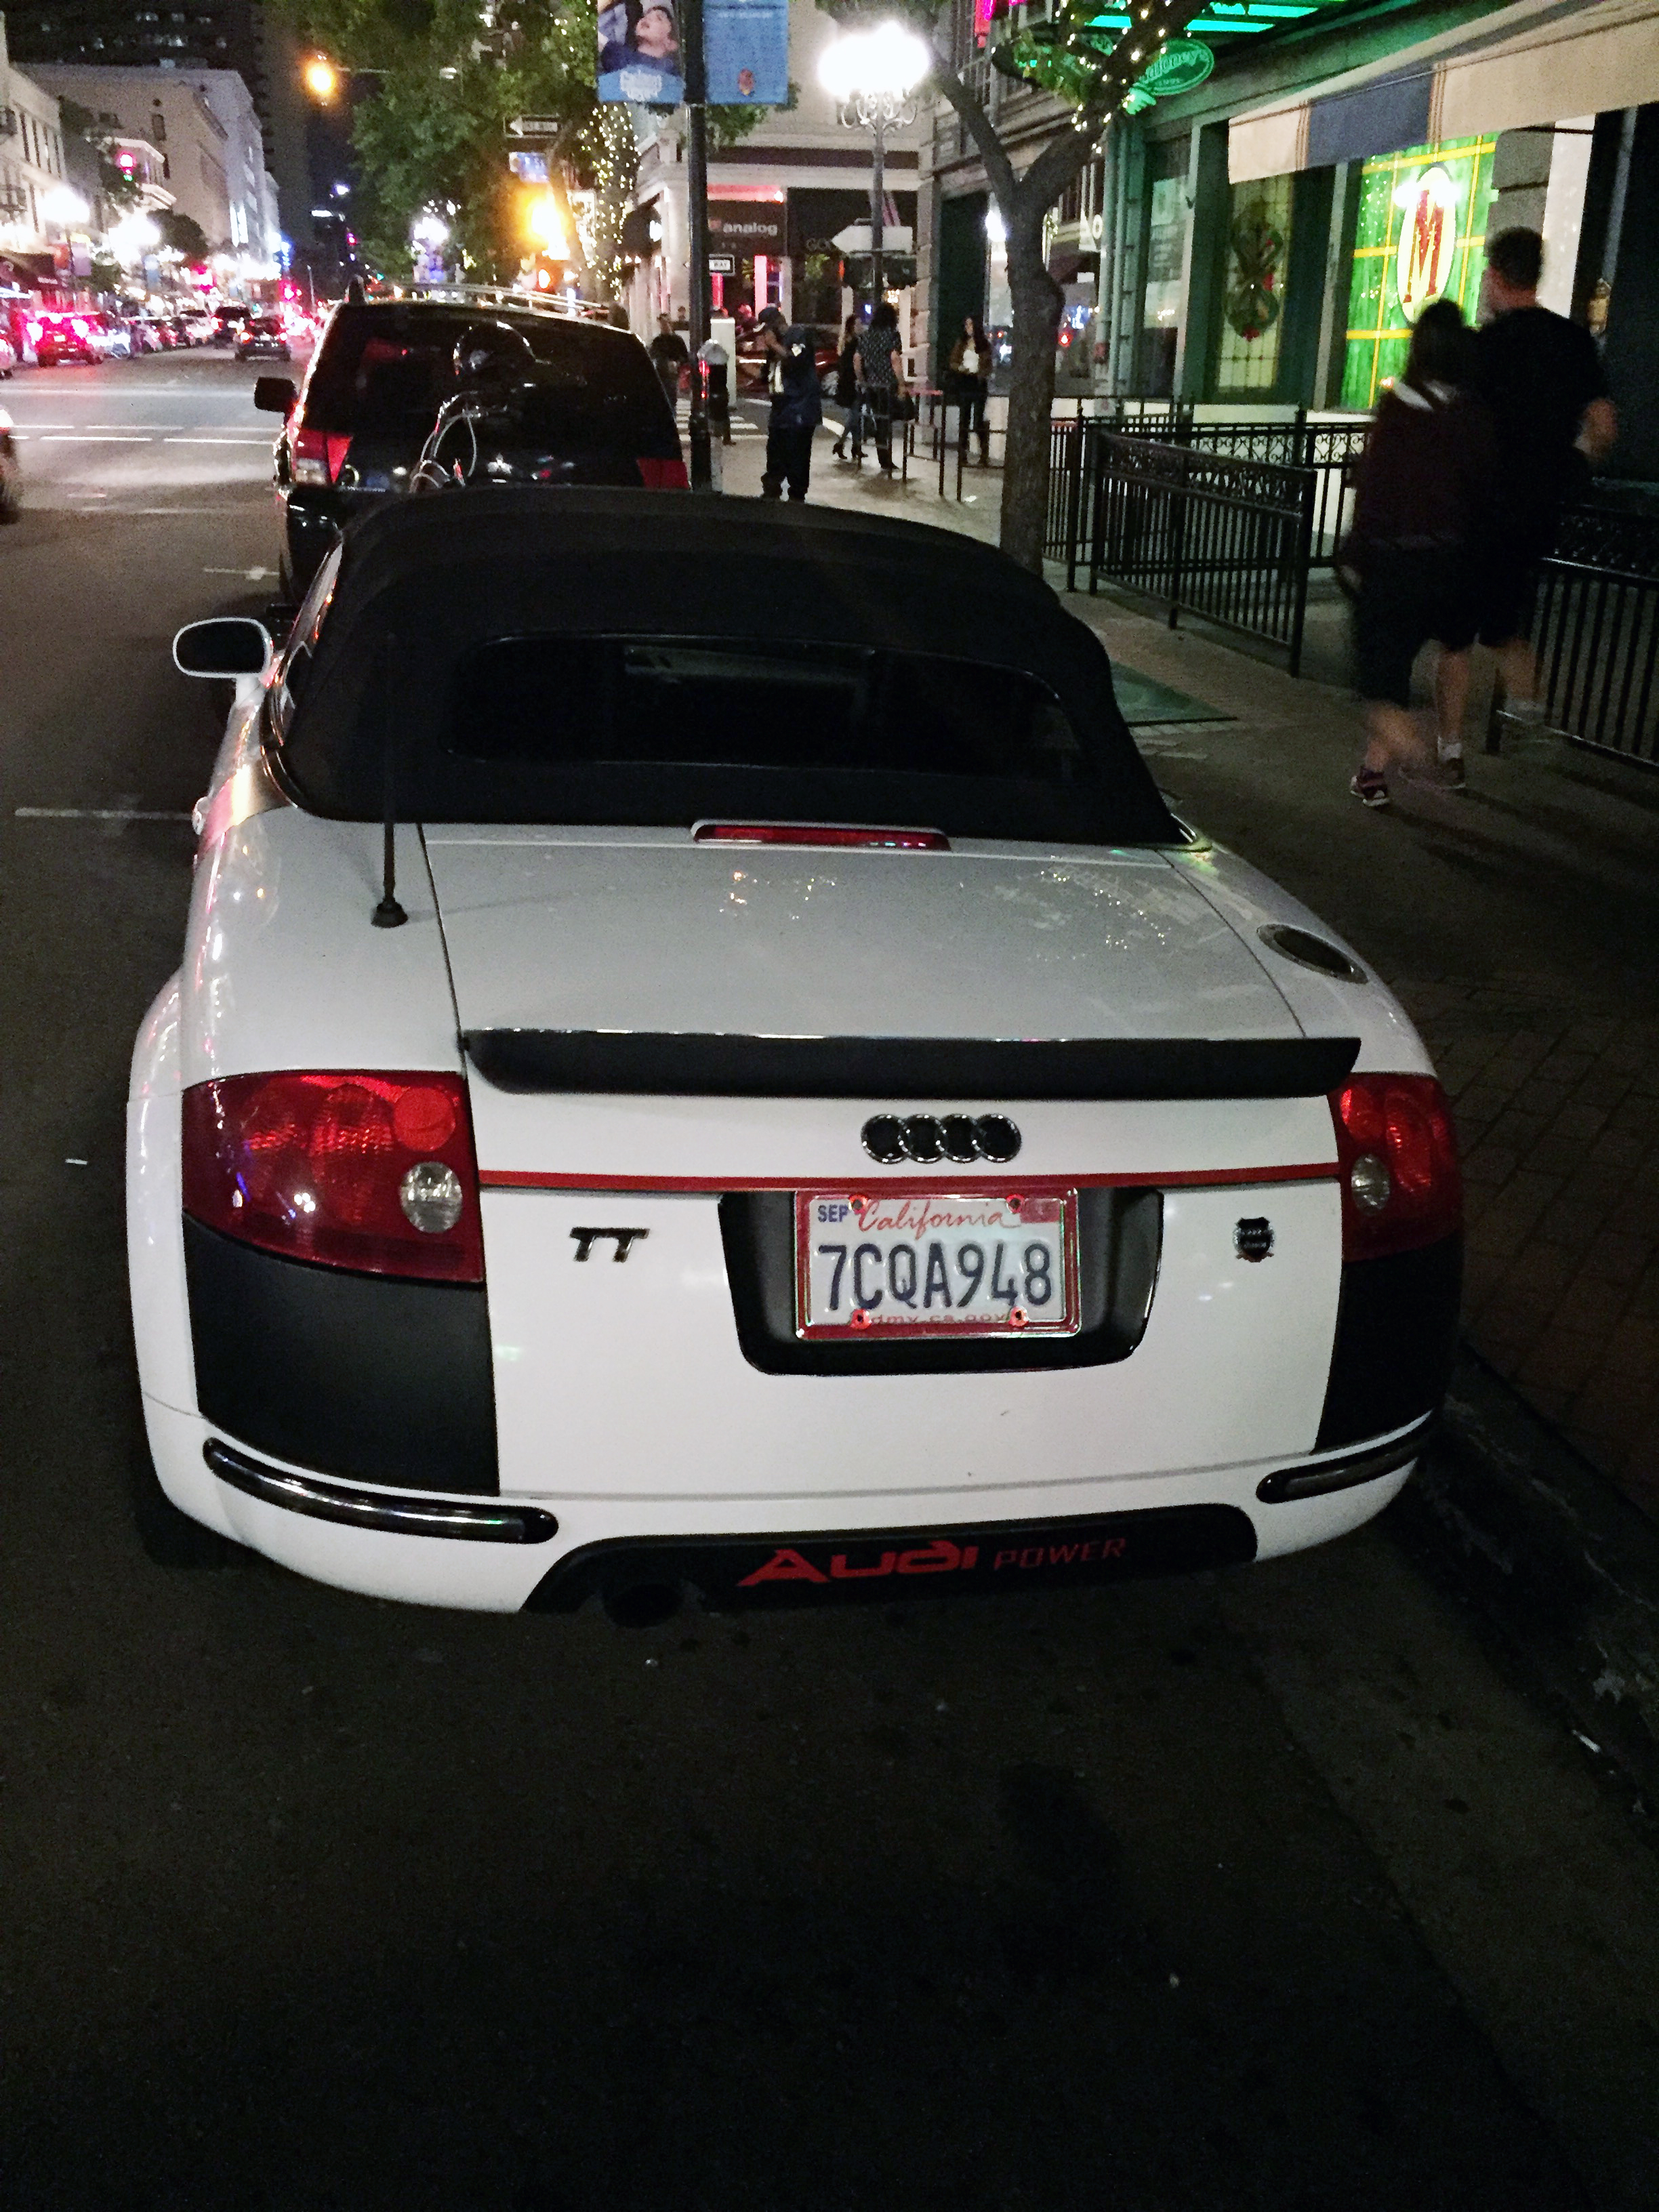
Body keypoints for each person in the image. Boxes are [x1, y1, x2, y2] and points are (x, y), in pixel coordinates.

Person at [1342, 298, 1496, 808]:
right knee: (1447, 653)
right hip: (1455, 562)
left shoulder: (1398, 412)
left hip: (1397, 562)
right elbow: (1482, 490)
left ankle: (1415, 758)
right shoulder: (1472, 416)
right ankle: (1383, 768)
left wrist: (1356, 553)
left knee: (1380, 683)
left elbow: (1376, 489)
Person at [1464, 227, 1616, 729]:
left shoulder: (1486, 347)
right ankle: (1523, 703)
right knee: (1506, 609)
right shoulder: (1573, 341)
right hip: (1541, 502)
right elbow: (1603, 426)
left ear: (1494, 276)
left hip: (1486, 500)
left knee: (1467, 617)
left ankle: (1453, 727)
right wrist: (1571, 470)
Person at [760, 319, 823, 501]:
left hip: (800, 408)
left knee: (798, 453)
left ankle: (797, 494)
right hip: (780, 410)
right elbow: (765, 376)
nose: (764, 338)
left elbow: (795, 360)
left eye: (767, 333)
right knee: (775, 451)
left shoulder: (798, 338)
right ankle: (772, 488)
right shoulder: (773, 353)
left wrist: (774, 345)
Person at [855, 300, 905, 475]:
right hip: (888, 384)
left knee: (880, 418)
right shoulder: (892, 335)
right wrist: (901, 384)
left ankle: (883, 457)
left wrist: (863, 381)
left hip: (872, 385)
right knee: (889, 419)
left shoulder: (866, 336)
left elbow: (857, 360)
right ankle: (885, 459)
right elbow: (895, 359)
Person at [947, 314, 991, 464]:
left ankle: (984, 453)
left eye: (971, 325)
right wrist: (960, 368)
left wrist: (981, 373)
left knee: (978, 420)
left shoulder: (984, 344)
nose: (968, 328)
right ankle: (962, 454)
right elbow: (953, 361)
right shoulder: (962, 343)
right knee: (964, 419)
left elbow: (988, 366)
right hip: (965, 381)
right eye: (966, 325)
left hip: (978, 384)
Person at [830, 314, 859, 460]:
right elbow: (855, 363)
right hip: (852, 382)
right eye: (858, 324)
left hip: (845, 382)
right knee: (854, 417)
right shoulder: (855, 342)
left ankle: (855, 447)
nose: (861, 327)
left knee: (854, 416)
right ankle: (841, 443)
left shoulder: (844, 342)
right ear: (853, 326)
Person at [647, 313, 689, 409]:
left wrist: (678, 363)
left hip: (672, 373)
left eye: (665, 323)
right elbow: (652, 355)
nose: (663, 326)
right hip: (661, 373)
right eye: (662, 324)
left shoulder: (677, 340)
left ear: (670, 324)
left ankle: (672, 411)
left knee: (671, 395)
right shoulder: (657, 341)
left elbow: (685, 356)